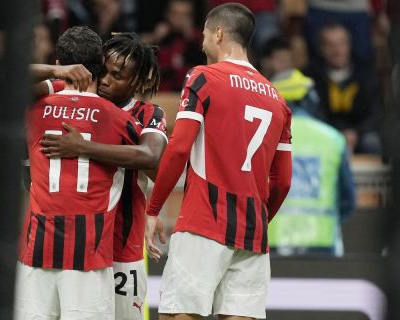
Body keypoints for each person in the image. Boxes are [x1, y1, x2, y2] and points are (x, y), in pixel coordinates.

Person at [145, 3, 292, 319]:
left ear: (219, 33)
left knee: (178, 314)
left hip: (204, 221)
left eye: (205, 36)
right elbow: (282, 182)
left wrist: (153, 208)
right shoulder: (278, 99)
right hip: (253, 233)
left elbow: (179, 147)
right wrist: (259, 221)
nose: (202, 44)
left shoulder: (203, 77)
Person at [33, 32, 168, 320]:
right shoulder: (67, 91)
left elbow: (152, 158)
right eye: (103, 70)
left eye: (117, 75)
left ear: (139, 82)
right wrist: (56, 69)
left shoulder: (148, 114)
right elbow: (11, 81)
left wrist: (82, 147)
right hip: (77, 244)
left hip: (121, 245)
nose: (105, 79)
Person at [14, 26, 141, 320]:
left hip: (37, 250)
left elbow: (3, 80)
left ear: (59, 64)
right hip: (90, 254)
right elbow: (153, 164)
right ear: (101, 67)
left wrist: (53, 76)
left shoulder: (35, 109)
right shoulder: (121, 120)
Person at [261, 37, 356, 256]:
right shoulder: (334, 139)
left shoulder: (261, 137)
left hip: (271, 245)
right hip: (322, 247)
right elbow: (347, 199)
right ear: (310, 98)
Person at [304, 22, 382, 154]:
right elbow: (312, 114)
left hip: (359, 135)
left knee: (372, 141)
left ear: (349, 46)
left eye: (341, 44)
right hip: (326, 134)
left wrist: (356, 132)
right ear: (321, 49)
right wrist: (336, 134)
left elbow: (375, 113)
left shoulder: (366, 76)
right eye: (330, 45)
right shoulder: (311, 78)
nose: (337, 51)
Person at [141, 0, 205, 91]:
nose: (179, 19)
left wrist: (192, 40)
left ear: (192, 18)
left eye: (184, 15)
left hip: (190, 95)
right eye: (175, 14)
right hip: (160, 95)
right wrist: (155, 38)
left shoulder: (199, 39)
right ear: (167, 14)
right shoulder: (160, 37)